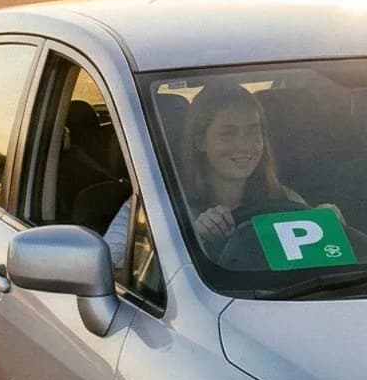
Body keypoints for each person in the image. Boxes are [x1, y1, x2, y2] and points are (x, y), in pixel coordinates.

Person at [102, 83, 306, 265]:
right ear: (200, 141)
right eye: (228, 133)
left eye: (253, 131)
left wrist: (332, 225)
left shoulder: (284, 198)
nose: (244, 145)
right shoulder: (152, 205)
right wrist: (192, 240)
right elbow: (112, 265)